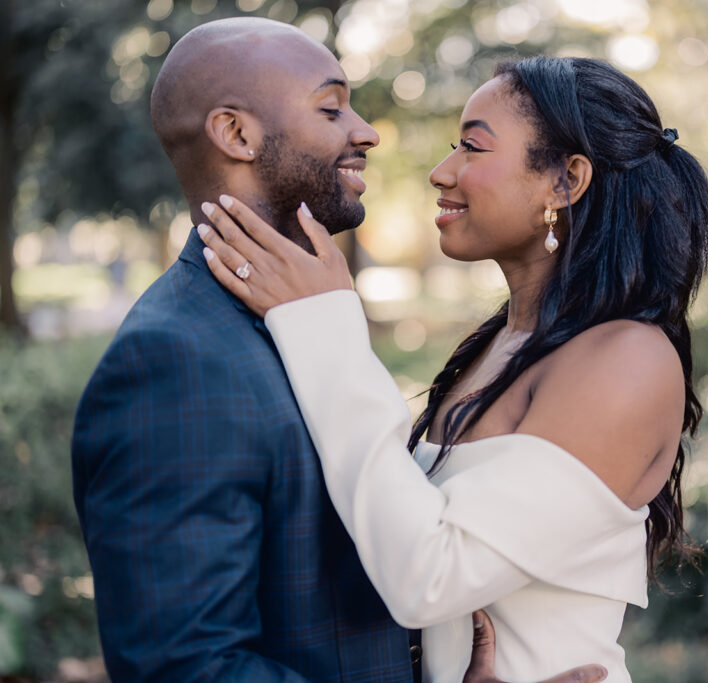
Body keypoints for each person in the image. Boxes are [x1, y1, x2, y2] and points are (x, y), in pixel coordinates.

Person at [72, 18, 603, 683]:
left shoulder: (301, 320)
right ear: (236, 134)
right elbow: (184, 667)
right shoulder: (174, 358)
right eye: (331, 108)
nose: (367, 131)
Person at [197, 56, 708, 682]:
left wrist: (324, 327)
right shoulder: (500, 345)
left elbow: (430, 576)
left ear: (564, 181)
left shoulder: (626, 360)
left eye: (472, 147)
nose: (441, 172)